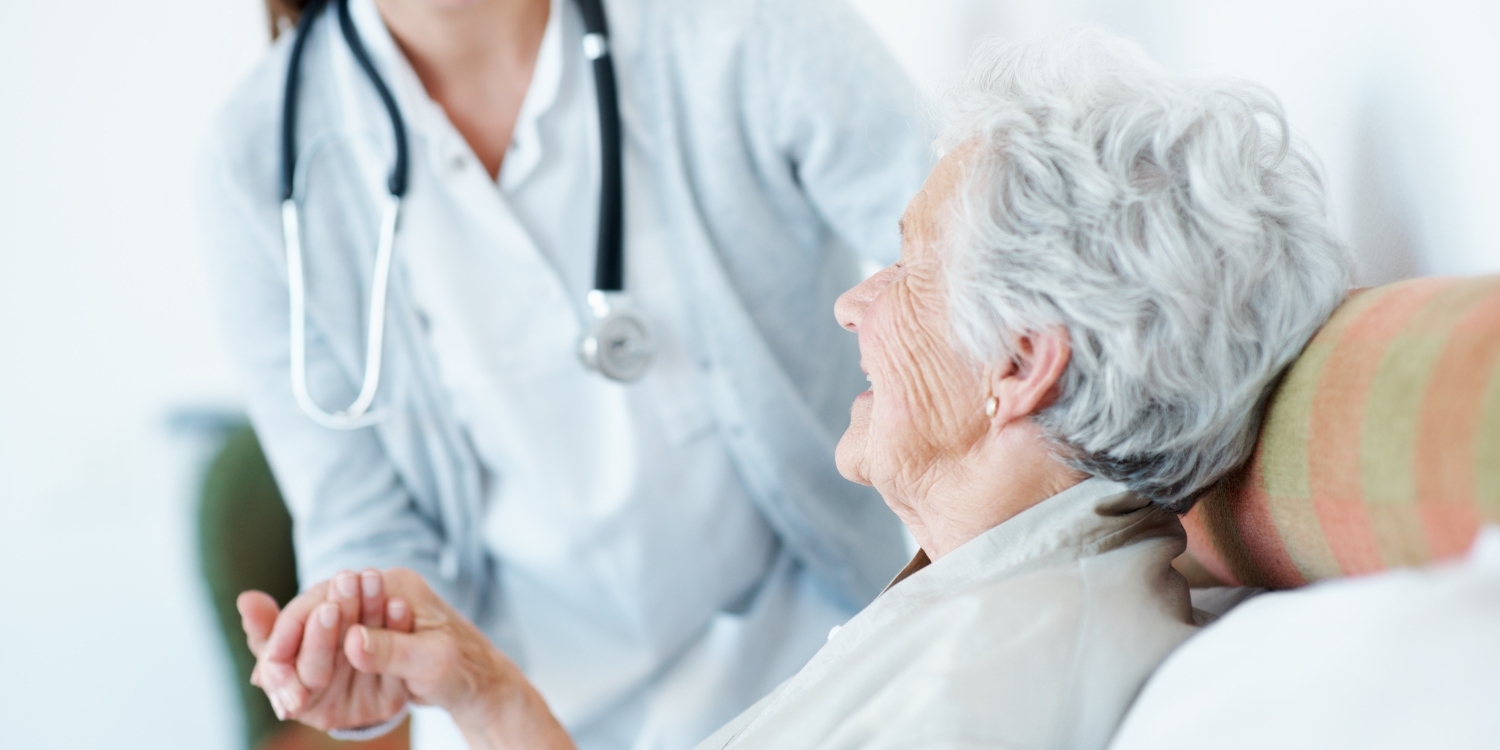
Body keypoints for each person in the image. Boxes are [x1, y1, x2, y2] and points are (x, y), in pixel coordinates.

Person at [238, 29, 1354, 750]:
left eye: (904, 263)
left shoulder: (974, 683)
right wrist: (484, 691)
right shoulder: (993, 597)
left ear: (1021, 363)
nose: (851, 303)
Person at [200, 0, 930, 747]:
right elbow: (361, 521)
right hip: (510, 713)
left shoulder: (737, 26)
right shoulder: (256, 157)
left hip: (835, 671)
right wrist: (359, 634)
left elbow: (975, 271)